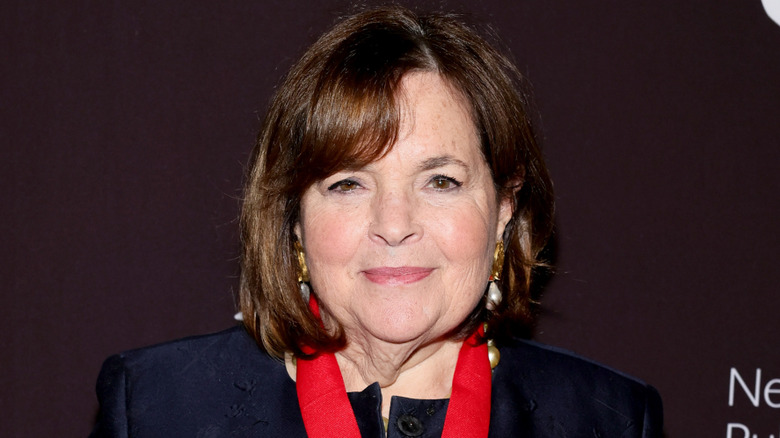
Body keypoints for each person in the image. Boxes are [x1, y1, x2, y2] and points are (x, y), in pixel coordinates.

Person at [90, 5, 663, 437]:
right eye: (348, 183)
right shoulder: (158, 407)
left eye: (440, 181)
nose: (394, 224)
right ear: (294, 220)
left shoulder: (606, 418)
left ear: (503, 210)